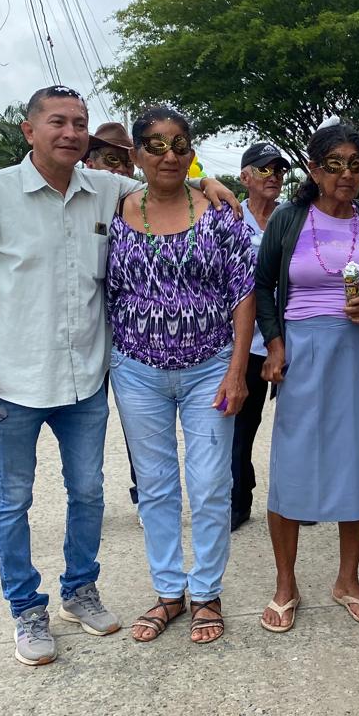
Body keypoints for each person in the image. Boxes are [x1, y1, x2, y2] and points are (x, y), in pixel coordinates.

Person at [0, 85, 237, 666]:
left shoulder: (106, 190)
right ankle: (26, 608)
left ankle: (80, 590)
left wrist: (210, 182)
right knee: (13, 498)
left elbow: (167, 178)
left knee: (88, 492)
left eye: (79, 123)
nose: (71, 133)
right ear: (29, 130)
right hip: (13, 381)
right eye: (58, 122)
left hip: (86, 380)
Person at [107, 106, 255, 644]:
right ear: (136, 154)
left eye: (180, 145)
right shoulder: (114, 207)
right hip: (136, 370)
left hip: (210, 368)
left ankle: (207, 592)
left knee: (212, 484)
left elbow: (243, 292)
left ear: (191, 153)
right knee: (155, 486)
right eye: (155, 145)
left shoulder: (220, 213)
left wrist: (237, 370)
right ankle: (169, 591)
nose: (168, 155)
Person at [254, 122, 359, 632]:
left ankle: (347, 581)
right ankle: (285, 584)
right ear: (314, 170)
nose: (346, 175)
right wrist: (275, 345)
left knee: (358, 464)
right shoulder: (290, 219)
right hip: (304, 352)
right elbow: (263, 286)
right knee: (292, 465)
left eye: (355, 164)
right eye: (334, 165)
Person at [230, 141, 290, 531]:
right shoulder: (229, 217)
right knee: (240, 426)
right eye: (265, 169)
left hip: (289, 337)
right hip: (245, 343)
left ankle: (299, 498)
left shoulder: (292, 217)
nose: (274, 177)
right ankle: (238, 499)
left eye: (279, 170)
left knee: (297, 424)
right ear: (245, 177)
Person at [82, 120, 140, 513]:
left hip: (133, 338)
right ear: (89, 163)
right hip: (89, 336)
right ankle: (89, 501)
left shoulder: (144, 206)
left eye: (125, 162)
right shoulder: (78, 201)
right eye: (109, 160)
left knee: (141, 426)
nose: (119, 169)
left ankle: (145, 495)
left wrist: (205, 182)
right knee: (88, 427)